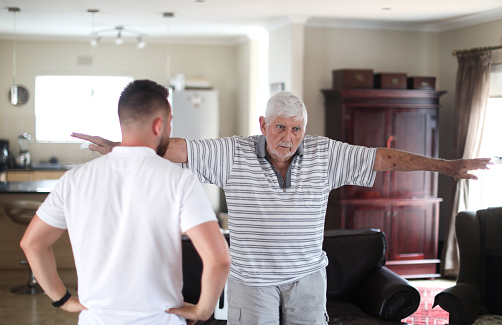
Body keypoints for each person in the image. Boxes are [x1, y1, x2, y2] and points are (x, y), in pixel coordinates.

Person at [72, 90, 491, 325]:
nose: (288, 138)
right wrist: (119, 148)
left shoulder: (326, 154)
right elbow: (175, 149)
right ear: (262, 125)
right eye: (279, 128)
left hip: (307, 279)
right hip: (250, 282)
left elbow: (383, 158)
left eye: (296, 129)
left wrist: (447, 167)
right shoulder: (231, 153)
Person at [21, 79, 231, 325]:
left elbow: (32, 243)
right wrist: (201, 312)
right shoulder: (180, 181)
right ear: (159, 124)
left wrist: (64, 300)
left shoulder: (74, 180)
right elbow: (219, 259)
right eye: (170, 121)